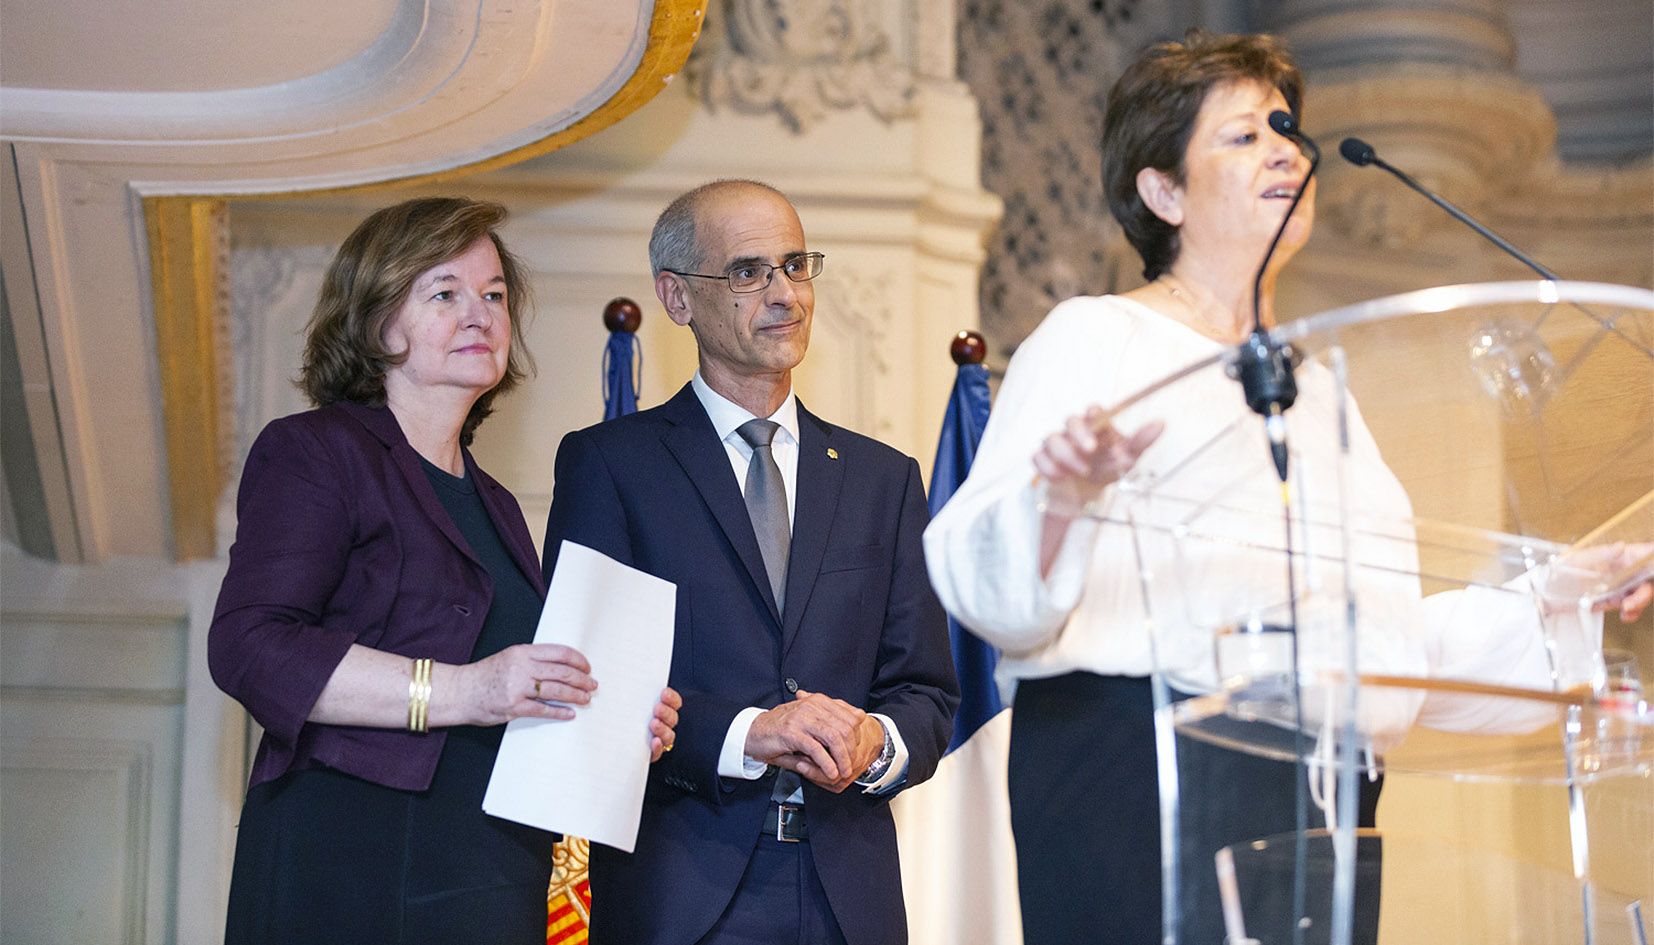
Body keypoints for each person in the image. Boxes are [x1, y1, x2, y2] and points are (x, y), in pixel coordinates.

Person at [921, 31, 1652, 945]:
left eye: (1286, 129)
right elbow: (986, 579)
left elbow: (1374, 638)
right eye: (1243, 136)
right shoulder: (1094, 338)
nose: (1285, 150)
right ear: (1164, 190)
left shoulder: (1319, 392)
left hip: (1320, 791)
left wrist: (1559, 596)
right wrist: (1059, 499)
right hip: (1139, 770)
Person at [208, 196, 681, 945]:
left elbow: (509, 690)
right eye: (444, 293)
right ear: (374, 320)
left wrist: (611, 716)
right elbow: (250, 645)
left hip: (491, 871)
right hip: (354, 862)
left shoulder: (492, 500)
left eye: (494, 295)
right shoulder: (318, 450)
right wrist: (462, 690)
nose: (481, 314)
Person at [542, 179, 960, 945]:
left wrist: (876, 742)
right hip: (682, 894)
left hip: (851, 901)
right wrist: (747, 733)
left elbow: (926, 690)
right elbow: (589, 687)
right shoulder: (612, 466)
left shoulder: (884, 478)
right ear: (676, 297)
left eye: (797, 265)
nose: (786, 295)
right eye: (748, 271)